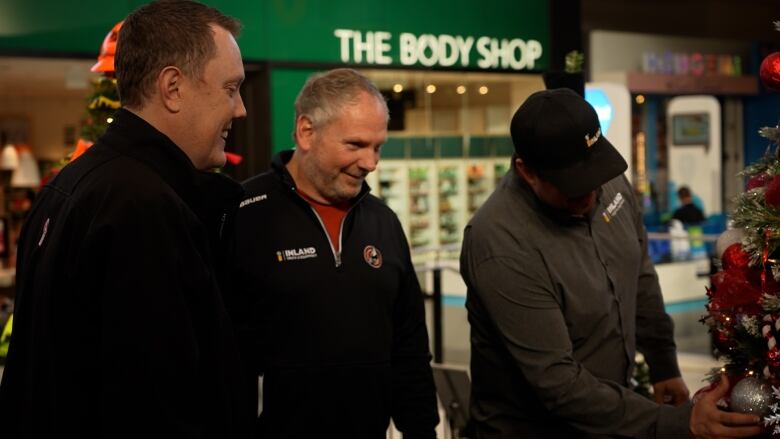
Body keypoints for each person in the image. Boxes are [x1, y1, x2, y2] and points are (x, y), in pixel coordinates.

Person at [0, 1, 250, 437]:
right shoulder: (143, 208)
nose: (240, 109)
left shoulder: (72, 184)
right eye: (231, 89)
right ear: (172, 87)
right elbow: (153, 403)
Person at [460, 88, 762, 438]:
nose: (590, 198)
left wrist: (663, 363)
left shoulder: (608, 182)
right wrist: (678, 423)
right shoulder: (501, 242)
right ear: (527, 172)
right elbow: (558, 383)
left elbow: (640, 275)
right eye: (574, 189)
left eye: (595, 179)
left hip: (606, 419)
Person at [228, 68, 439, 438]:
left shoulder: (384, 222)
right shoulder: (243, 213)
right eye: (356, 145)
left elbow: (409, 347)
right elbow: (219, 354)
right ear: (307, 132)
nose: (371, 163)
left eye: (378, 147)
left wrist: (420, 429)